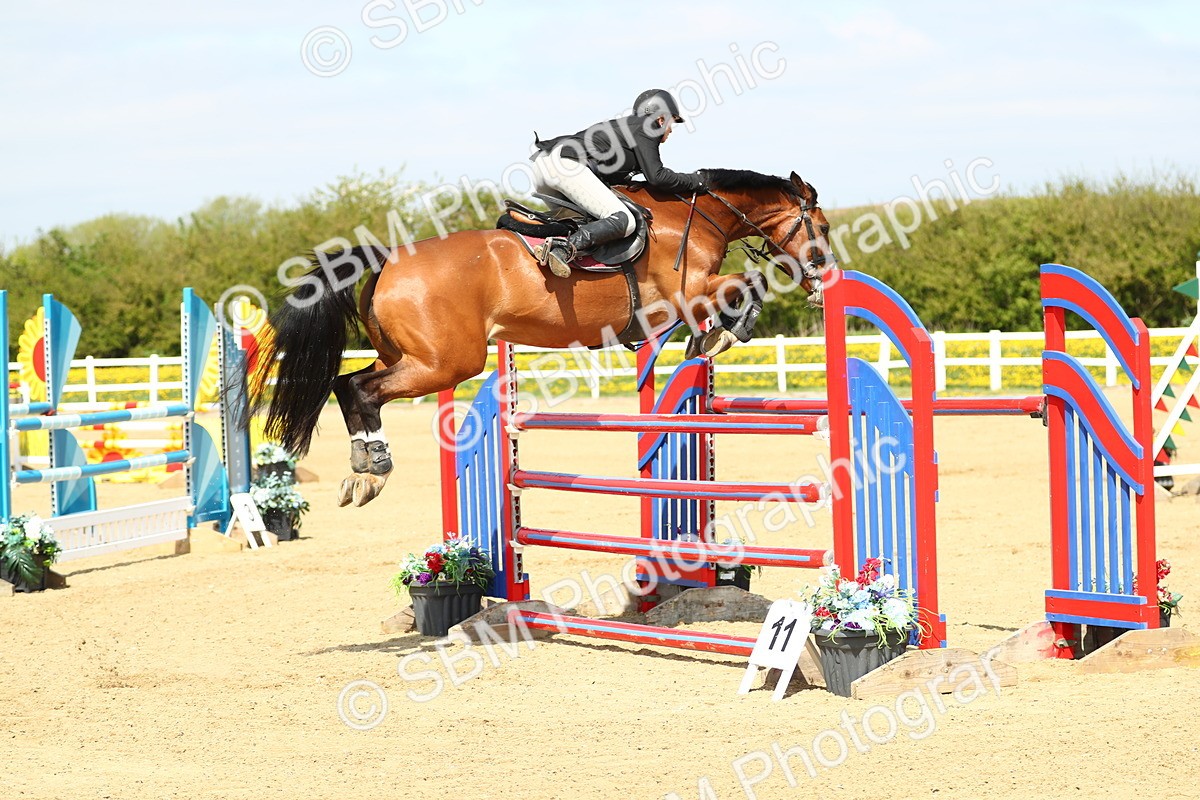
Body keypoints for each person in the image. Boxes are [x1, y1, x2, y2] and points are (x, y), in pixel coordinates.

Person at [529, 89, 706, 277]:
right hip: (566, 165)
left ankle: (547, 245)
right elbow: (657, 176)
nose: (670, 130)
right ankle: (563, 249)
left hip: (543, 166)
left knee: (582, 222)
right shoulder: (648, 126)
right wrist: (698, 181)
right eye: (672, 122)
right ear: (661, 119)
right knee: (623, 220)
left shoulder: (628, 129)